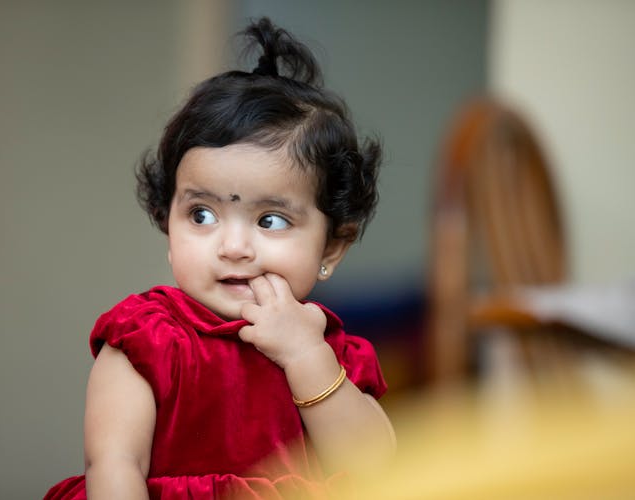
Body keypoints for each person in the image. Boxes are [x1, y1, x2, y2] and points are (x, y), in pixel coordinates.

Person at [45, 17, 396, 500]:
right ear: (167, 224)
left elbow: (378, 467)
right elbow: (113, 463)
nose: (232, 248)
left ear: (332, 247)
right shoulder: (147, 339)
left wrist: (304, 355)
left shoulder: (332, 352)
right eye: (202, 214)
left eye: (270, 220)